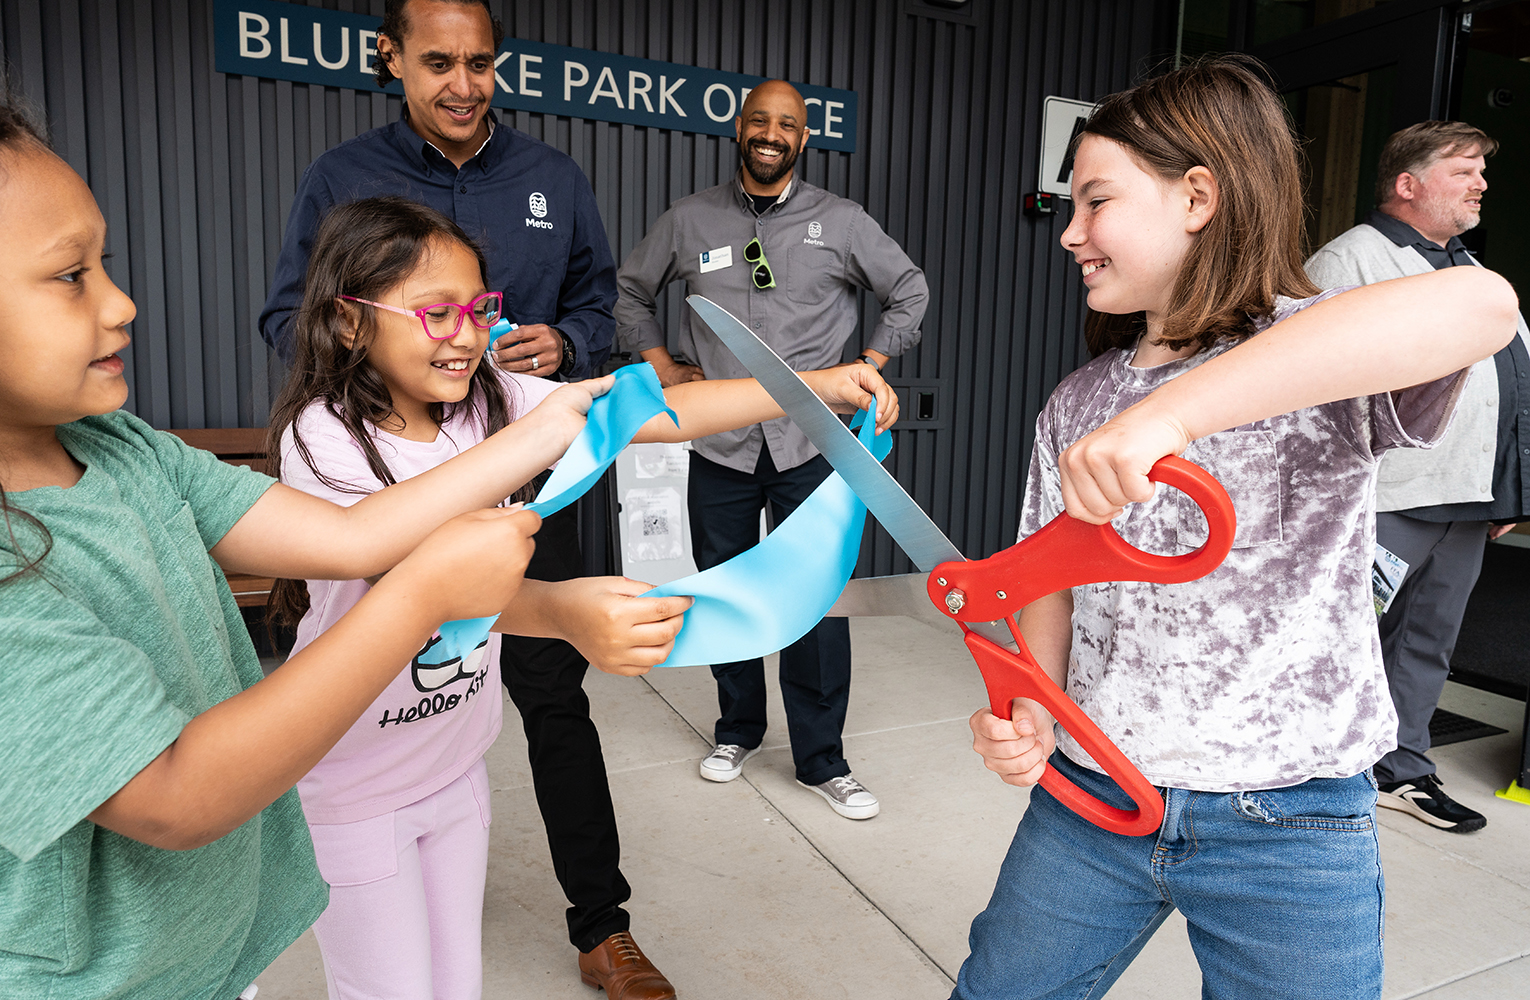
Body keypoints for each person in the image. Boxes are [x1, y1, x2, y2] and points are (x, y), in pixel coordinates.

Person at [952, 58, 1518, 1000]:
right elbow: (1047, 577)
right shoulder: (1076, 401)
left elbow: (1484, 305)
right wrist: (1034, 710)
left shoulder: (1324, 353)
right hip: (1097, 790)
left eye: (1096, 202)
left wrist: (1173, 415)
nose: (1072, 235)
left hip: (1292, 816)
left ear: (1199, 196)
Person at [0, 99, 580, 1000]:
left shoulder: (128, 451)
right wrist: (429, 589)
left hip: (207, 959)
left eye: (104, 261)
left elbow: (352, 538)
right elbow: (176, 794)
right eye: (70, 275)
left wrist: (561, 421)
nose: (123, 301)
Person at [265, 194, 897, 999]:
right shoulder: (323, 435)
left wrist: (817, 387)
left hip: (456, 763)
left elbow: (659, 415)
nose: (465, 335)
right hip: (357, 778)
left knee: (455, 984)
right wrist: (562, 609)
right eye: (434, 314)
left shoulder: (486, 396)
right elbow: (412, 580)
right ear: (351, 321)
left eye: (477, 309)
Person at [254, 0, 657, 987]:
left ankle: (602, 923)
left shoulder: (553, 178)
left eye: (481, 62)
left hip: (527, 487)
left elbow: (599, 304)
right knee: (417, 653)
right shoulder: (343, 179)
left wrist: (565, 350)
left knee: (554, 693)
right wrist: (395, 417)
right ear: (390, 59)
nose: (464, 84)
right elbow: (288, 317)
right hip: (397, 497)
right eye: (440, 62)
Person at [615, 79, 928, 820]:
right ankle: (737, 731)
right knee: (727, 588)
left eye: (786, 124)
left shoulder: (843, 222)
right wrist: (661, 365)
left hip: (811, 443)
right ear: (740, 127)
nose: (770, 133)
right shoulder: (689, 220)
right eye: (760, 119)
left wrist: (870, 370)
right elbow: (628, 291)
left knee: (816, 602)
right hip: (718, 441)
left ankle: (823, 761)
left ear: (803, 137)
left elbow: (908, 290)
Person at [1306, 121, 1530, 835]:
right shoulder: (1351, 261)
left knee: (1427, 640)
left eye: (1482, 173)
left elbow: (1507, 381)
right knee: (1340, 635)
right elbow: (1308, 386)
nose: (1481, 184)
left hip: (1463, 499)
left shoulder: (1468, 269)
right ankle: (1305, 767)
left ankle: (1398, 766)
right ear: (1408, 184)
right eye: (1463, 170)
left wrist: (1506, 486)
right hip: (1385, 498)